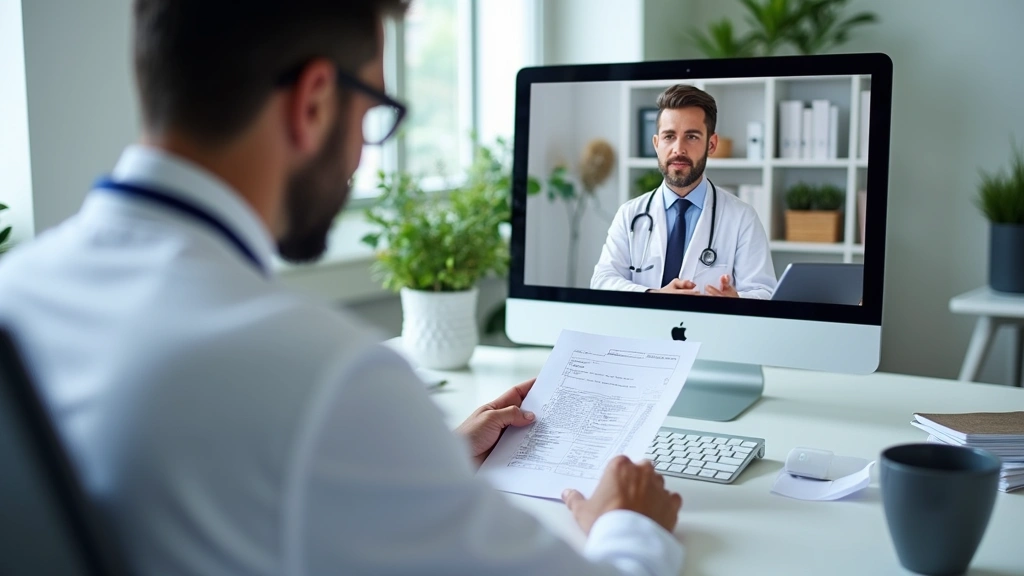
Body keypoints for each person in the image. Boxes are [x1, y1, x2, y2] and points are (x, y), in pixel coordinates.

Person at [0, 2, 686, 575]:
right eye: (373, 111)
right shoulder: (321, 377)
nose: (363, 152)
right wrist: (631, 527)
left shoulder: (18, 291)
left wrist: (424, 459)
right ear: (315, 101)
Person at [591, 85, 777, 298]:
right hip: (643, 330)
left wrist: (736, 301)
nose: (678, 149)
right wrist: (654, 295)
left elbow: (764, 292)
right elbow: (602, 280)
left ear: (711, 144)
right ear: (656, 143)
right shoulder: (630, 214)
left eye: (692, 137)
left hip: (711, 330)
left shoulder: (742, 218)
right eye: (669, 136)